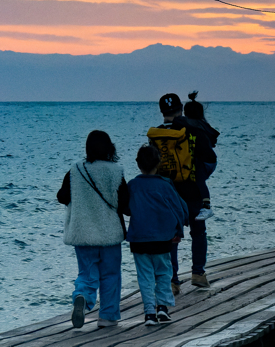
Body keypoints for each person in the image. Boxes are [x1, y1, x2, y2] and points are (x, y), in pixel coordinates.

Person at [57, 130, 128, 329]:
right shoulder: (116, 171)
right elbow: (124, 202)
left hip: (83, 234)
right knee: (111, 275)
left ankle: (82, 296)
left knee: (86, 273)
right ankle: (107, 316)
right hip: (110, 235)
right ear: (109, 148)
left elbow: (62, 196)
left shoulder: (75, 170)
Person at [155, 93, 217, 293]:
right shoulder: (193, 129)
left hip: (170, 192)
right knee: (198, 233)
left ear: (161, 111)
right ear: (180, 109)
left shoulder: (157, 135)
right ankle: (198, 274)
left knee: (172, 237)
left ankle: (172, 281)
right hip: (193, 190)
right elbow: (209, 158)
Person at [125, 145, 188, 326]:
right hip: (162, 238)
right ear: (159, 162)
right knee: (163, 273)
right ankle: (163, 308)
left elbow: (128, 209)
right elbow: (179, 208)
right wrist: (179, 231)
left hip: (139, 239)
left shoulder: (133, 185)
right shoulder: (165, 184)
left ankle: (149, 314)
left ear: (138, 164)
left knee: (145, 277)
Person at [182, 91, 220, 220]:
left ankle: (207, 207)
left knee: (199, 179)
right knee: (198, 179)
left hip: (206, 162)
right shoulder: (202, 125)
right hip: (210, 160)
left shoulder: (192, 125)